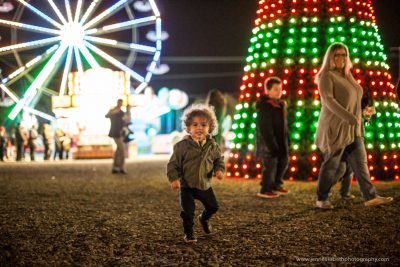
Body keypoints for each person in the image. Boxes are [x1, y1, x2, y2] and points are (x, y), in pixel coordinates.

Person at [314, 42, 393, 209]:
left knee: (360, 161)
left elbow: (353, 100)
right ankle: (321, 198)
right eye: (337, 55)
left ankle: (370, 196)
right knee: (333, 165)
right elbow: (328, 100)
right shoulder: (326, 76)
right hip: (336, 127)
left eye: (344, 54)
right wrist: (349, 116)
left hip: (354, 128)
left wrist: (363, 111)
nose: (341, 58)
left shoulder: (347, 76)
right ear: (330, 57)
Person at [167, 104, 225, 243]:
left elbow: (218, 160)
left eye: (203, 124)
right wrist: (174, 179)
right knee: (188, 212)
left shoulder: (213, 146)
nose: (199, 127)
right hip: (187, 185)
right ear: (188, 127)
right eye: (195, 124)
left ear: (210, 127)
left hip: (204, 184)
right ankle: (189, 233)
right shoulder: (182, 146)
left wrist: (219, 170)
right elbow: (173, 164)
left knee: (213, 207)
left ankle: (203, 218)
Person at [255, 77, 290, 199]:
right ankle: (265, 189)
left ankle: (276, 184)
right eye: (276, 89)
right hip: (268, 143)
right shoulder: (266, 106)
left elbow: (284, 126)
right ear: (268, 91)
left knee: (283, 161)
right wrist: (272, 145)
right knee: (270, 165)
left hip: (281, 141)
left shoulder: (280, 105)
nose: (279, 91)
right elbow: (265, 129)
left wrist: (287, 140)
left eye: (280, 89)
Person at [105, 99, 127, 174]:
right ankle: (121, 167)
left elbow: (125, 121)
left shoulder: (121, 112)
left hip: (120, 133)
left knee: (118, 151)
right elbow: (106, 116)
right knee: (122, 150)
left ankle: (115, 167)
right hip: (115, 133)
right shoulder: (113, 111)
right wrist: (113, 112)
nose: (120, 104)